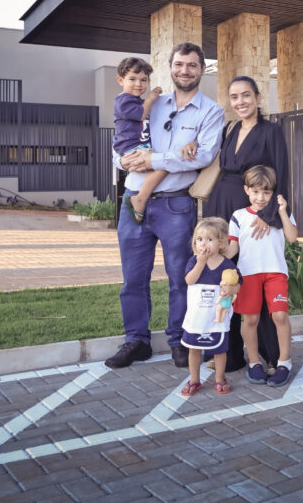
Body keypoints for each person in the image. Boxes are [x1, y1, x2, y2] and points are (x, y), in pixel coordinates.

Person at [105, 43, 224, 370]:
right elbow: (122, 139)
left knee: (180, 278)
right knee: (133, 279)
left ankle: (179, 341)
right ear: (170, 67)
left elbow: (202, 156)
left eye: (192, 65)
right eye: (179, 64)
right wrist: (123, 160)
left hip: (176, 205)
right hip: (133, 202)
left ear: (202, 70)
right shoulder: (151, 103)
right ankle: (136, 341)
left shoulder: (211, 112)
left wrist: (153, 159)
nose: (185, 71)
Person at [203, 75, 290, 372]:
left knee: (253, 278)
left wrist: (268, 216)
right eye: (234, 96)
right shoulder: (230, 129)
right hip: (222, 207)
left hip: (253, 212)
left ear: (257, 97)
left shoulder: (271, 131)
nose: (240, 102)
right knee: (225, 277)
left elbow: (282, 175)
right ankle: (230, 354)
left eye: (246, 95)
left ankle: (271, 355)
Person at [225, 165, 298, 387]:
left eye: (266, 192)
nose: (261, 197)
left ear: (273, 193)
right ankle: (254, 362)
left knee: (280, 316)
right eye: (255, 191)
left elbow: (292, 237)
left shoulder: (279, 213)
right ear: (246, 190)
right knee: (251, 320)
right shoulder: (238, 216)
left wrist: (283, 211)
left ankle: (284, 362)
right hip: (248, 274)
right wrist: (213, 259)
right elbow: (233, 248)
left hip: (275, 272)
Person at [112, 57, 195, 224]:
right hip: (131, 147)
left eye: (143, 80)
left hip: (137, 146)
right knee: (165, 163)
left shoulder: (136, 100)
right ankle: (140, 199)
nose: (138, 84)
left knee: (164, 163)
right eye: (132, 79)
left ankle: (141, 198)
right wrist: (150, 99)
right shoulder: (123, 100)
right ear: (120, 80)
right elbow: (141, 115)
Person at [180, 217, 241, 396]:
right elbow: (189, 280)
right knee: (194, 349)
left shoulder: (227, 265)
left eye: (209, 239)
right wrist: (201, 262)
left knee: (219, 350)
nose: (203, 244)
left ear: (221, 243)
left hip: (217, 318)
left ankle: (220, 378)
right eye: (199, 239)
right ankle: (194, 379)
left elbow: (238, 284)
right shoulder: (194, 261)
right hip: (197, 317)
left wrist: (232, 289)